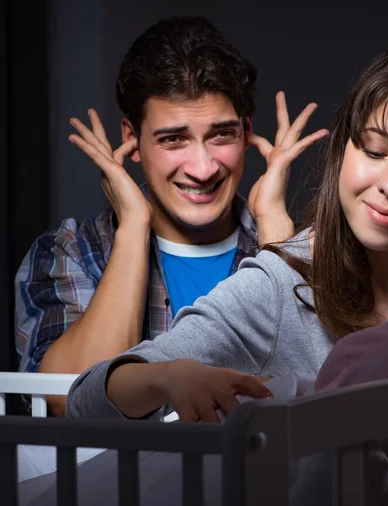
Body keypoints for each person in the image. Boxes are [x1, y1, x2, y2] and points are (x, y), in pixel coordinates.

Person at [65, 43, 388, 424]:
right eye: (374, 152)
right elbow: (89, 398)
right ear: (343, 152)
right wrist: (164, 376)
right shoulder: (280, 282)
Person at [14, 16, 328, 416]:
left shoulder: (295, 243)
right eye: (172, 139)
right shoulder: (71, 250)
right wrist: (132, 229)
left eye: (221, 135)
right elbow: (72, 402)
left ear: (247, 132)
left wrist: (274, 225)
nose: (202, 168)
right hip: (119, 481)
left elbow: (319, 389)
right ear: (133, 140)